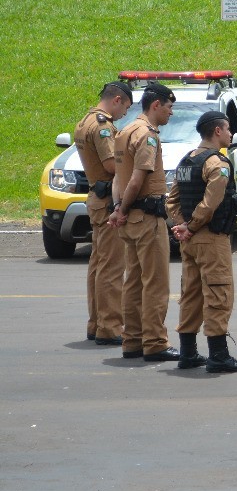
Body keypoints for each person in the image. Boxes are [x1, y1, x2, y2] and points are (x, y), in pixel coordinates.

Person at [165, 111, 237, 372]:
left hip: (189, 241)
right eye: (227, 129)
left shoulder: (187, 160)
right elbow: (211, 202)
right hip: (211, 238)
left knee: (191, 294)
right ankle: (218, 355)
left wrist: (181, 225)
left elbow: (172, 200)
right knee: (218, 293)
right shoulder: (217, 164)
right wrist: (191, 226)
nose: (230, 134)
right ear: (217, 131)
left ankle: (188, 352)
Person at [108, 83, 178, 361]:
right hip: (147, 217)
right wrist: (123, 207)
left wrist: (117, 209)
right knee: (156, 283)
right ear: (156, 105)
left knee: (134, 282)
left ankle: (133, 340)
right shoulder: (147, 136)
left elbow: (117, 178)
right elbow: (137, 179)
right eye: (169, 107)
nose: (171, 113)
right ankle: (155, 342)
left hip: (129, 219)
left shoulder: (124, 131)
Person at [73, 81, 131, 345]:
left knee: (98, 265)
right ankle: (110, 326)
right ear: (116, 100)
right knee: (111, 267)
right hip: (107, 199)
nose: (124, 115)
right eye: (125, 108)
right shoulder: (103, 126)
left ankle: (96, 322)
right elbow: (111, 165)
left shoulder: (86, 121)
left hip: (97, 198)